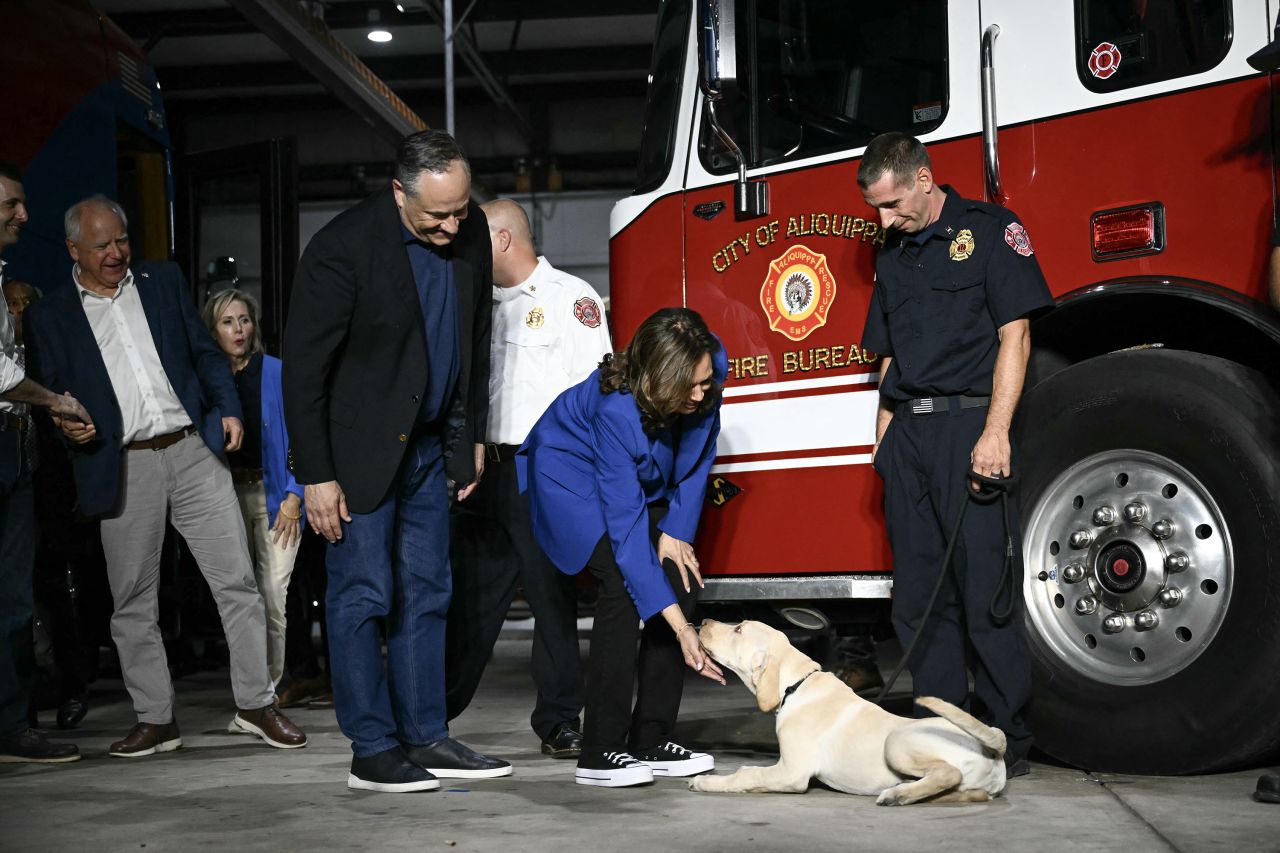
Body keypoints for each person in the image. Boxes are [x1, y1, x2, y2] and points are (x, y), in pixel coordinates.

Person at [24, 195, 307, 758]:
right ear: (73, 250)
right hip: (123, 462)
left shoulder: (162, 281)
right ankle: (157, 719)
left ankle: (256, 704)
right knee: (133, 600)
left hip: (192, 451)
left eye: (121, 240)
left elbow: (205, 356)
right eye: (101, 245)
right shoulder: (50, 315)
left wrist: (226, 408)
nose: (115, 253)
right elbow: (51, 399)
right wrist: (67, 428)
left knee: (237, 584)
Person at [283, 129, 509, 794]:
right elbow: (303, 373)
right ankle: (372, 747)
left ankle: (426, 734)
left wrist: (469, 431)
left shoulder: (466, 235)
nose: (451, 225)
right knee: (363, 595)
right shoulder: (342, 250)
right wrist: (316, 473)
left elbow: (475, 340)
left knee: (429, 591)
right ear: (397, 192)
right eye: (436, 214)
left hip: (431, 446)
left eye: (460, 209)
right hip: (357, 456)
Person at [858, 132, 1052, 778]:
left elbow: (1015, 334)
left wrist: (996, 432)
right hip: (908, 438)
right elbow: (886, 355)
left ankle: (1004, 739)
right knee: (917, 598)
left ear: (923, 178)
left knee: (984, 592)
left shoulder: (991, 231)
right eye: (875, 209)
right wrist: (882, 440)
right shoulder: (892, 255)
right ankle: (942, 732)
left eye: (891, 204)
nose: (884, 220)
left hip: (970, 427)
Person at [518, 306, 728, 788]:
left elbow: (701, 452)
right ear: (658, 380)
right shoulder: (616, 411)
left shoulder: (707, 367)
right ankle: (600, 749)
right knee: (620, 580)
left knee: (679, 573)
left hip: (639, 467)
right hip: (570, 473)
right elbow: (630, 539)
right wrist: (681, 628)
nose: (702, 393)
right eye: (690, 387)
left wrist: (677, 529)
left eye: (705, 381)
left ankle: (650, 738)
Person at [444, 198, 611, 758]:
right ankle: (430, 716)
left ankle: (560, 720)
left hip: (543, 468)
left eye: (473, 238)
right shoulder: (476, 305)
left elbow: (596, 395)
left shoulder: (571, 300)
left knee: (550, 599)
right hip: (483, 470)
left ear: (503, 240)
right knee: (468, 599)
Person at [0, 163, 89, 763]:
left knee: (14, 597)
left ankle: (12, 723)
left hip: (13, 450)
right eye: (12, 204)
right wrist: (57, 401)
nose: (23, 216)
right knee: (9, 596)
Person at [202, 289, 304, 700]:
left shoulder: (277, 372)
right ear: (214, 330)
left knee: (274, 595)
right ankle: (251, 693)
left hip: (276, 497)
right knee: (239, 598)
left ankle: (267, 693)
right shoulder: (207, 380)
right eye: (228, 322)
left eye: (244, 320)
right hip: (225, 498)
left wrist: (295, 496)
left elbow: (303, 435)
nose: (239, 329)